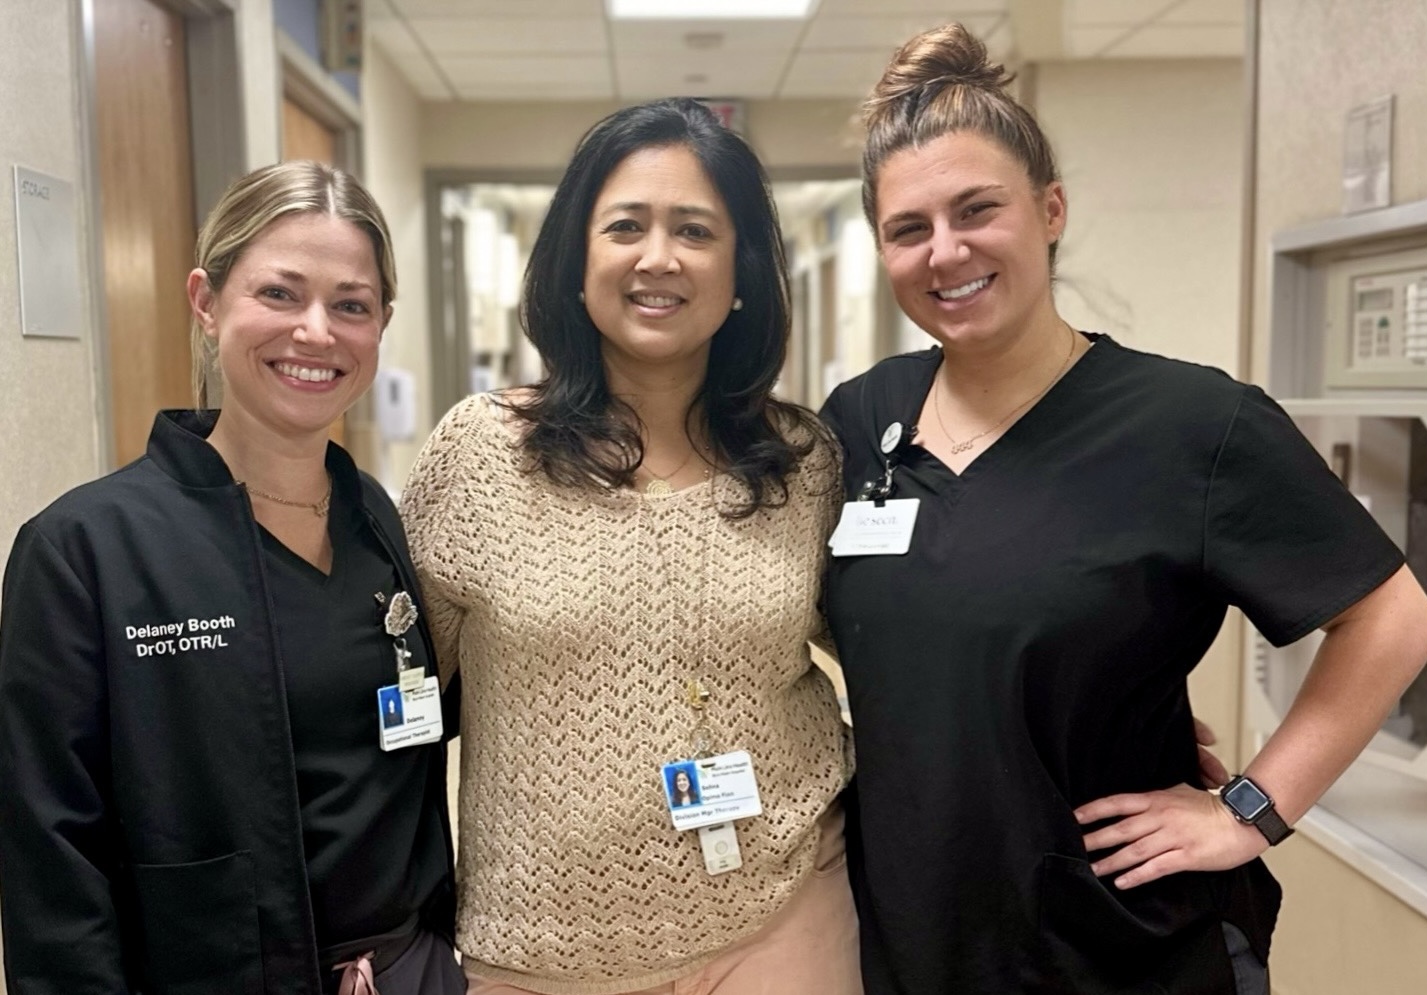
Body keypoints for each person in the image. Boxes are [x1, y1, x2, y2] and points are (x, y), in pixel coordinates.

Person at [818, 23, 1427, 995]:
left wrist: (1248, 807)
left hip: (1118, 943)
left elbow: (1390, 613)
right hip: (911, 934)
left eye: (977, 209)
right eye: (908, 228)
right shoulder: (860, 417)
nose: (946, 250)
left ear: (1048, 209)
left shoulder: (1193, 425)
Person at [401, 98, 859, 995]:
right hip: (539, 948)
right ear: (577, 261)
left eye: (694, 229)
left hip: (785, 910)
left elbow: (908, 655)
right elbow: (404, 696)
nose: (658, 257)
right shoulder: (480, 456)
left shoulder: (802, 461)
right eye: (625, 227)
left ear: (740, 277)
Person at [0, 161, 462, 994]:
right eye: (279, 294)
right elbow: (50, 862)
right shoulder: (86, 550)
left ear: (381, 324)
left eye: (350, 305)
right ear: (206, 303)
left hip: (408, 972)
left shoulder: (376, 521)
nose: (316, 332)